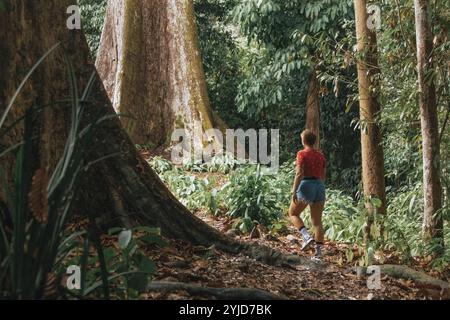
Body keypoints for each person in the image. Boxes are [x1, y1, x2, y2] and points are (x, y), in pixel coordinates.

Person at [288, 129, 326, 260]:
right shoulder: (320, 155)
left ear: (303, 140)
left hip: (306, 185)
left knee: (293, 213)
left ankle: (306, 236)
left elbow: (299, 173)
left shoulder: (301, 154)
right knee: (317, 222)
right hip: (320, 186)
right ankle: (319, 254)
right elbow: (323, 173)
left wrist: (294, 190)